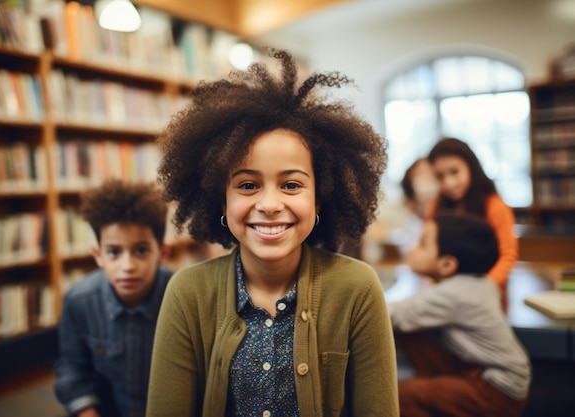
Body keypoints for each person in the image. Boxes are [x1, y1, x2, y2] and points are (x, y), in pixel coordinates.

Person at [146, 49, 399, 416]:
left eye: (292, 186)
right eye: (247, 185)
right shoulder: (187, 293)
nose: (269, 203)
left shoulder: (358, 288)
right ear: (221, 200)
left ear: (321, 198)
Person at [388, 212, 531, 417]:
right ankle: (433, 390)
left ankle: (424, 393)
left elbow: (392, 314)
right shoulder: (479, 282)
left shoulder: (453, 294)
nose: (412, 248)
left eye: (422, 244)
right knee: (412, 333)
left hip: (496, 391)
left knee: (403, 395)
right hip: (488, 375)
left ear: (447, 264)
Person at [54, 179, 173, 417]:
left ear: (162, 252)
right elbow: (73, 369)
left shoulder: (186, 297)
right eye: (114, 252)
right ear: (98, 255)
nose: (127, 266)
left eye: (141, 250)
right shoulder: (79, 301)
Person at [427, 137, 518, 306]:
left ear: (471, 167)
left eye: (454, 172)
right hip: (447, 299)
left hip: (489, 299)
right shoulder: (436, 207)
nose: (448, 182)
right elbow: (431, 252)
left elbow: (508, 256)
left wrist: (483, 289)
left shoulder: (495, 206)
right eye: (440, 176)